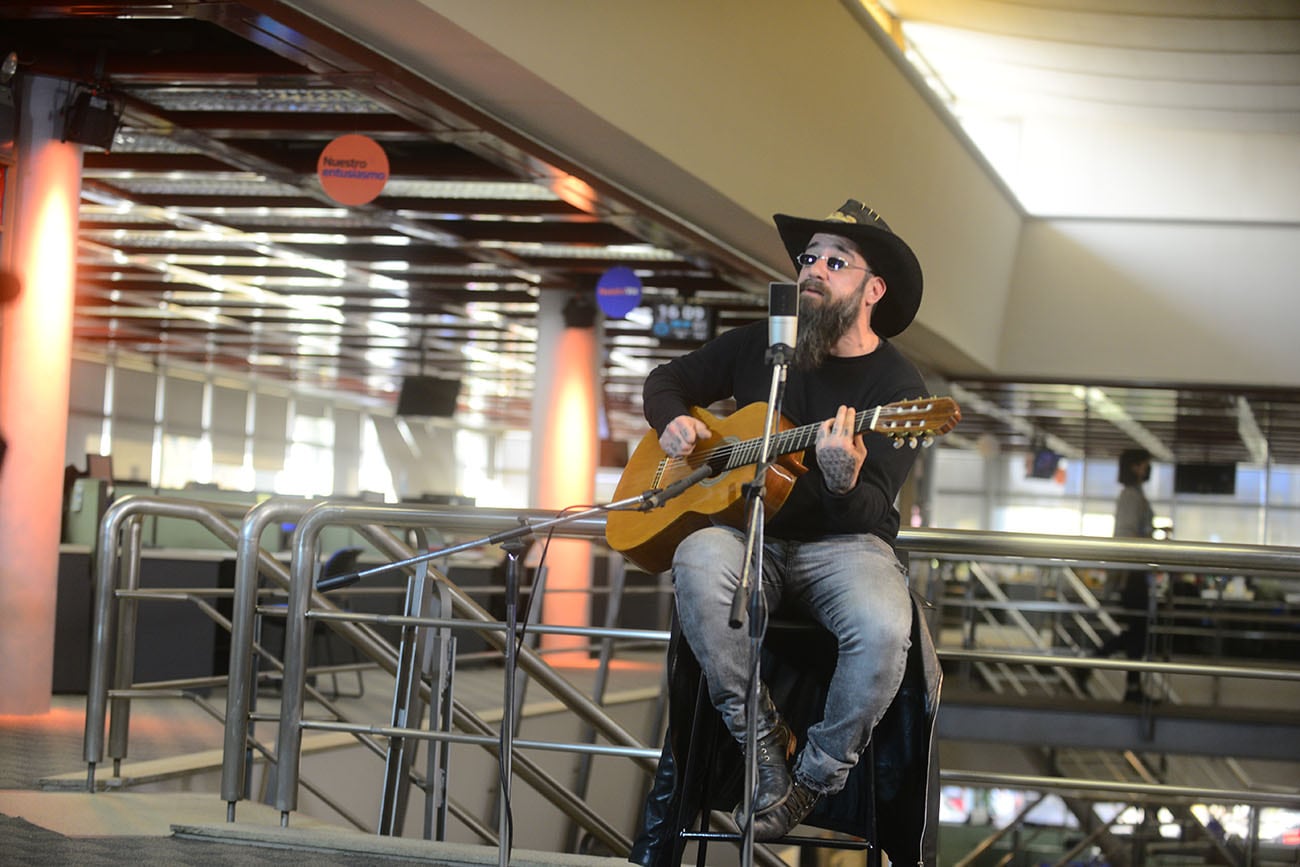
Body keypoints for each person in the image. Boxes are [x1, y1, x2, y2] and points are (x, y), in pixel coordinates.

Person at [640, 199, 929, 842]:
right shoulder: (760, 348)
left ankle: (814, 777)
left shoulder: (898, 388)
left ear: (873, 289)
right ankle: (763, 746)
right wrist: (674, 421)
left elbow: (873, 509)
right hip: (751, 533)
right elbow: (666, 378)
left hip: (846, 547)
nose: (813, 270)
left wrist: (841, 473)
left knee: (884, 627)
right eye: (808, 259)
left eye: (836, 261)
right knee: (696, 557)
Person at [1090, 447, 1155, 701]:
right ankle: (1094, 664)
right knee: (1138, 631)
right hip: (1132, 573)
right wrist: (1151, 541)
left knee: (1138, 631)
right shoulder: (1131, 496)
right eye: (1145, 465)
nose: (1147, 470)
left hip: (1138, 571)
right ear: (1135, 467)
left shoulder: (1136, 494)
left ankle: (1131, 686)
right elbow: (1127, 535)